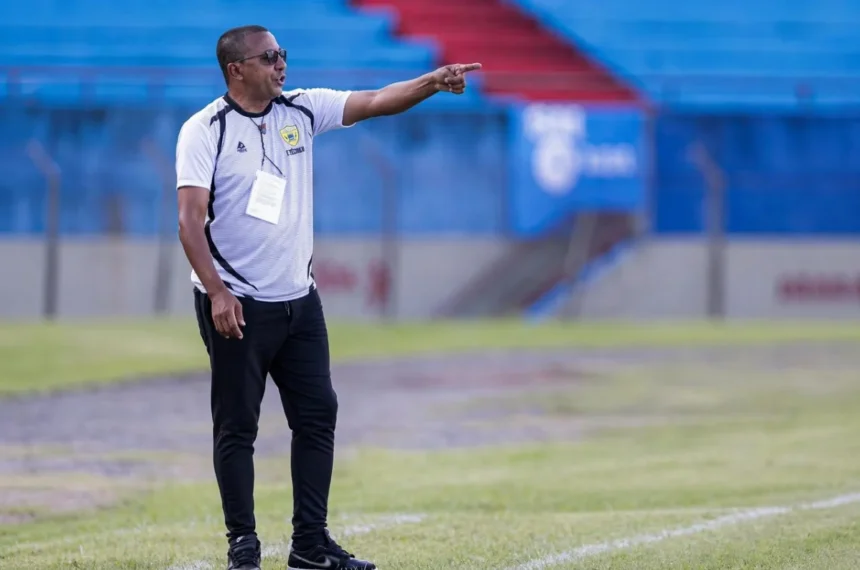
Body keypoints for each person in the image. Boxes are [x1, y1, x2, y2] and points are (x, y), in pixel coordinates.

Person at [174, 24, 481, 570]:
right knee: (237, 426)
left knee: (318, 416)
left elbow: (377, 101)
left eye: (283, 54)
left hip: (300, 301)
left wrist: (432, 81)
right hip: (237, 304)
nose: (281, 64)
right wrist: (218, 292)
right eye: (269, 57)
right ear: (236, 69)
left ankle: (310, 546)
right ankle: (243, 547)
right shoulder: (205, 130)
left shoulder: (302, 110)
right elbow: (190, 222)